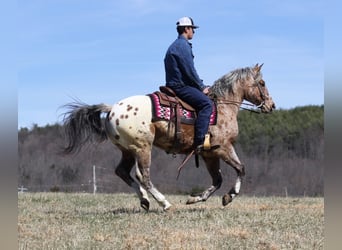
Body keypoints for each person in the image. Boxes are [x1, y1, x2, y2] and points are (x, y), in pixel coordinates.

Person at [164, 16, 212, 151]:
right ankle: (200, 142)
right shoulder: (182, 46)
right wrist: (202, 87)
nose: (194, 32)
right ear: (186, 29)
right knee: (207, 104)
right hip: (181, 86)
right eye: (192, 29)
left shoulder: (174, 46)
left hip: (174, 84)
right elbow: (189, 71)